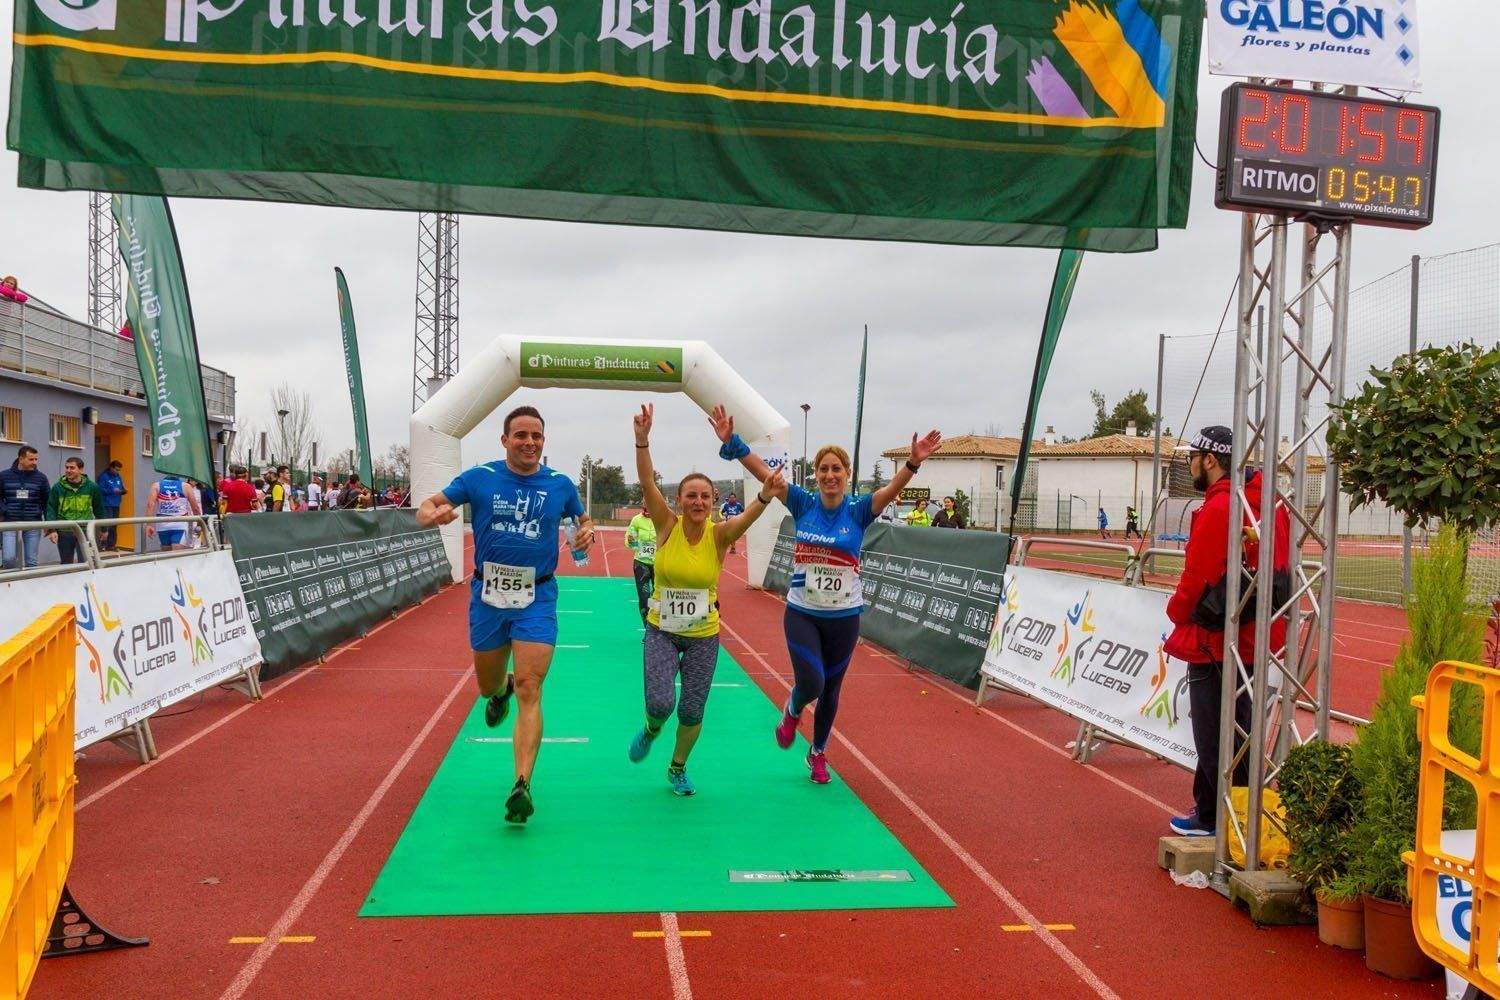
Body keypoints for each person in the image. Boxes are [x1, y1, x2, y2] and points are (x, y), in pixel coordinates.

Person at [712, 404, 941, 783]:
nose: (830, 475)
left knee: (832, 690)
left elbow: (891, 489)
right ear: (815, 475)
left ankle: (818, 753)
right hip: (803, 613)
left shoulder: (860, 510)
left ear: (847, 475)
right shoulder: (803, 502)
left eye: (837, 469)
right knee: (813, 683)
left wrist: (913, 464)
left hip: (845, 617)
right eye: (823, 469)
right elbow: (764, 474)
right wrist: (732, 442)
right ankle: (793, 708)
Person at [415, 405, 595, 825]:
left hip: (538, 597)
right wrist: (433, 515)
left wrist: (584, 532)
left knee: (532, 688)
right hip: (488, 598)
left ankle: (521, 783)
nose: (529, 442)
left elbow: (581, 522)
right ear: (505, 440)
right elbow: (426, 506)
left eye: (536, 436)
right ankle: (501, 690)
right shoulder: (481, 478)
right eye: (521, 435)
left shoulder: (560, 485)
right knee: (487, 685)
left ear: (543, 442)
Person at [627, 404, 781, 794]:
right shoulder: (666, 525)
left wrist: (764, 494)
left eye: (705, 497)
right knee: (661, 703)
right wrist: (642, 441)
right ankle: (651, 727)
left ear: (713, 502)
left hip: (703, 635)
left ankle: (677, 767)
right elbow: (647, 483)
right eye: (691, 496)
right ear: (678, 501)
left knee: (693, 709)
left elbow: (749, 517)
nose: (698, 502)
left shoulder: (720, 535)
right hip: (661, 630)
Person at [1164, 426, 1291, 838]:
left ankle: (1216, 818)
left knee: (1215, 732)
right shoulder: (1270, 503)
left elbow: (1197, 576)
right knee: (1239, 727)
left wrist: (1175, 611)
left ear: (1212, 460)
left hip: (1216, 640)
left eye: (1193, 457)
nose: (1190, 465)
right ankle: (1228, 812)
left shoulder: (1221, 508)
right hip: (1254, 637)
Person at [44, 457, 104, 565]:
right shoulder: (57, 487)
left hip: (85, 530)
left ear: (81, 470)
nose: (68, 470)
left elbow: (99, 508)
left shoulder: (92, 487)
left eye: (72, 468)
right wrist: (52, 530)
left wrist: (104, 529)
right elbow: (51, 508)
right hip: (64, 531)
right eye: (66, 467)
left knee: (87, 563)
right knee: (66, 564)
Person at [1, 445, 49, 570]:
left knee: (31, 561)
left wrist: (49, 524)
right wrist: (3, 511)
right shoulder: (4, 476)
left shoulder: (41, 478)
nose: (34, 462)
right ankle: (10, 585)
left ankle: (30, 587)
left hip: (33, 521)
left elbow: (46, 502)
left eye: (36, 459)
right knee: (8, 558)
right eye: (31, 459)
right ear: (21, 459)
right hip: (9, 521)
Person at [146, 474, 202, 551]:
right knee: (177, 556)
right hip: (180, 524)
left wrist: (149, 525)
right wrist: (199, 523)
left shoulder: (156, 485)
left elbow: (150, 505)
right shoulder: (185, 486)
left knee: (166, 555)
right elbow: (195, 508)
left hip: (162, 524)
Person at [625, 504, 658, 623]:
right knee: (644, 597)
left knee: (657, 597)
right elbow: (629, 542)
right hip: (641, 563)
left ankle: (656, 627)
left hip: (658, 564)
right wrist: (631, 540)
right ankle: (647, 629)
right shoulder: (636, 520)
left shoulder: (662, 518)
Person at [97, 459, 127, 551]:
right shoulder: (103, 476)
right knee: (107, 525)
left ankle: (111, 545)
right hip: (106, 504)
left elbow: (121, 488)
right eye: (116, 469)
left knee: (114, 525)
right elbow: (99, 489)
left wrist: (123, 491)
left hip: (116, 504)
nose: (117, 472)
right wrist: (112, 491)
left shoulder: (118, 476)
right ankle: (102, 545)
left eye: (119, 470)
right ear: (111, 468)